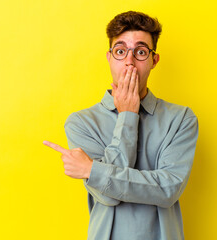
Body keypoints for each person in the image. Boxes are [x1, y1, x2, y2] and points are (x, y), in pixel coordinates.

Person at [43, 11, 198, 240]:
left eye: (141, 52)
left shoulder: (181, 119)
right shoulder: (81, 123)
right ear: (109, 57)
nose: (129, 61)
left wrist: (92, 170)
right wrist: (128, 116)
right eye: (120, 50)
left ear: (154, 60)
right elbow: (108, 196)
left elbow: (168, 189)